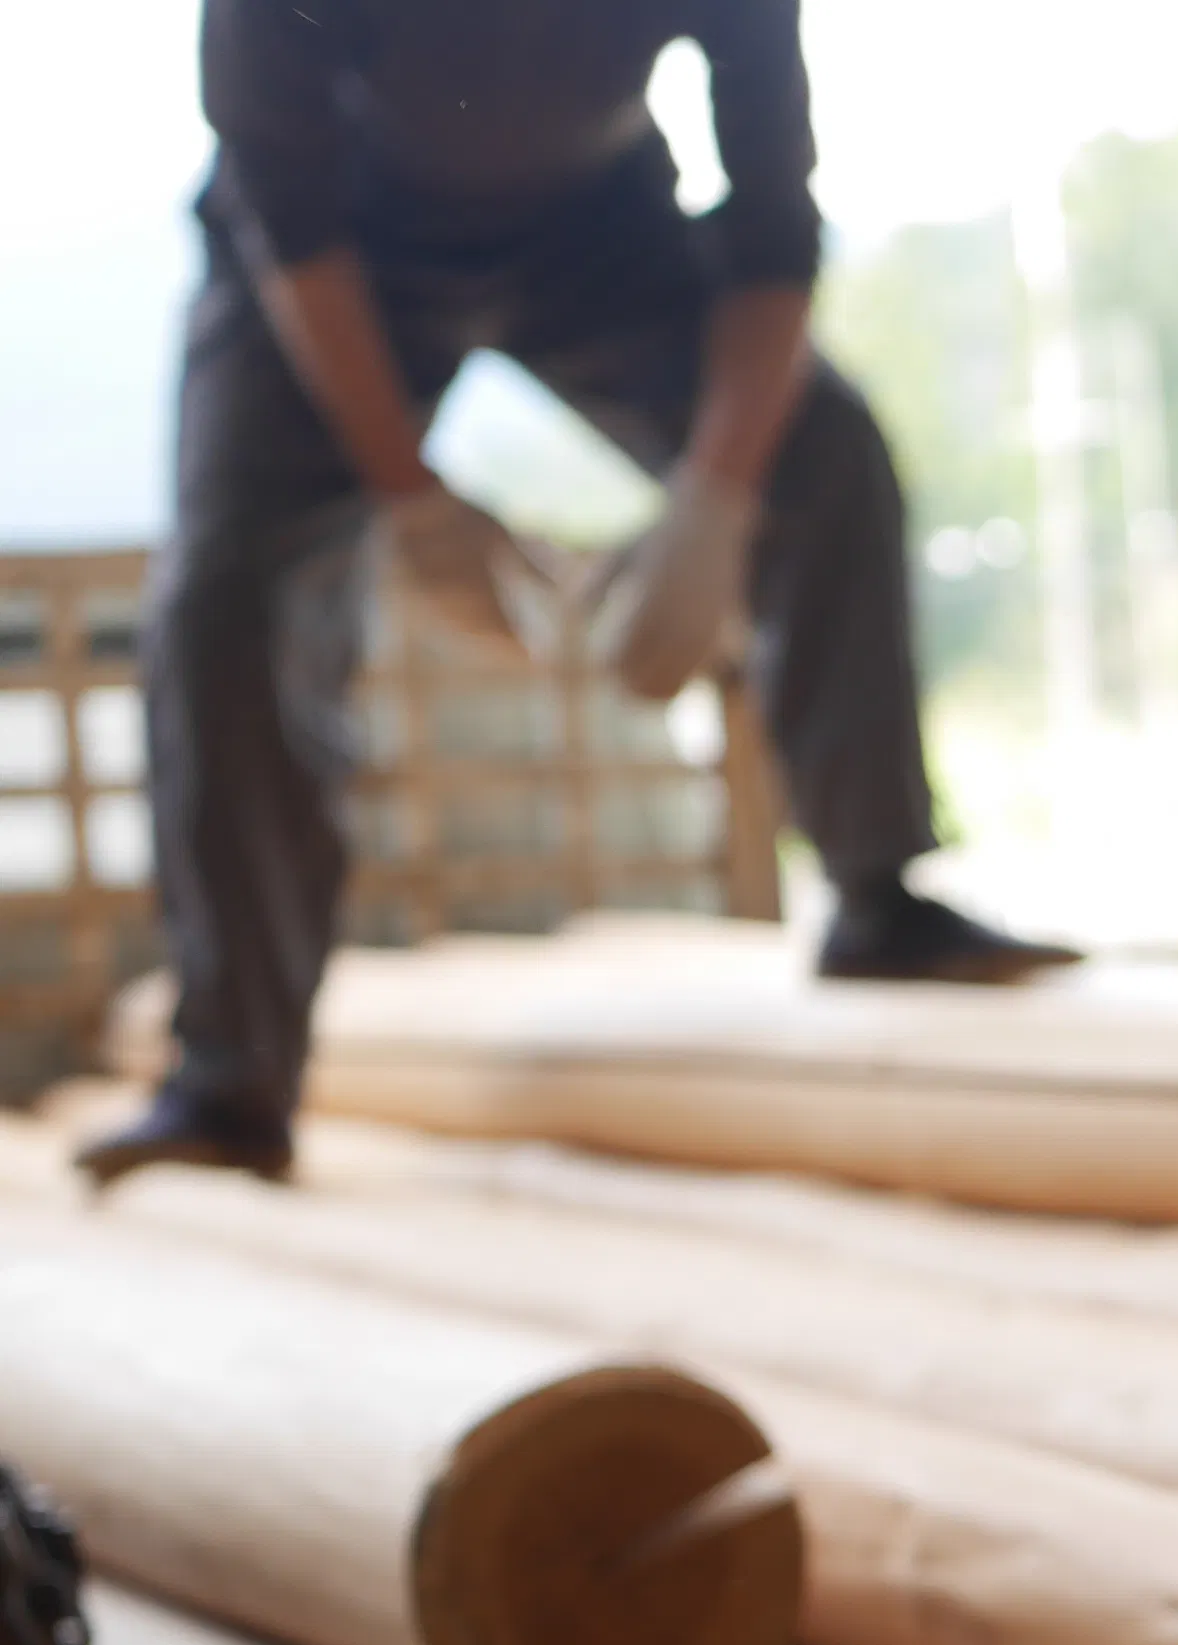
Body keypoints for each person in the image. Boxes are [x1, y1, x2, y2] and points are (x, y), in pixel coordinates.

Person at [81, 0, 1077, 1187]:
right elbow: (291, 224)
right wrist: (411, 498)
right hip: (337, 248)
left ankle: (881, 898)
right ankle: (230, 1080)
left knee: (825, 450)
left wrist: (718, 499)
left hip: (597, 232)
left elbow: (772, 224)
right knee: (225, 601)